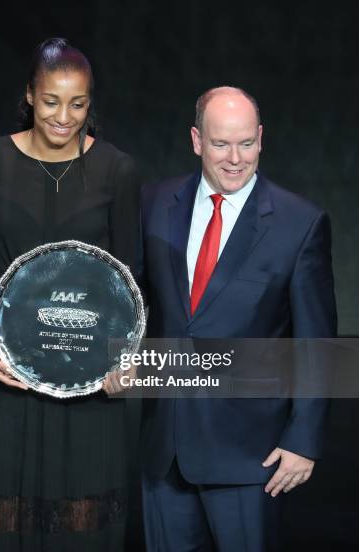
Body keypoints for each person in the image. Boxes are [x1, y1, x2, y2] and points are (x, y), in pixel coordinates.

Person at [0, 38, 141, 551]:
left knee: (81, 526)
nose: (64, 116)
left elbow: (130, 276)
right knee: (2, 523)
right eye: (51, 101)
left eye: (78, 103)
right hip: (9, 378)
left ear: (90, 104)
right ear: (30, 97)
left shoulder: (116, 170)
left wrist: (123, 353)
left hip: (87, 376)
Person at [139, 86, 337, 551]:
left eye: (246, 143)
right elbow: (132, 302)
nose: (234, 158)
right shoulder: (152, 203)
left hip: (253, 457)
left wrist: (304, 440)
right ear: (196, 140)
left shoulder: (299, 223)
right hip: (164, 448)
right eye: (220, 143)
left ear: (261, 139)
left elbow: (316, 342)